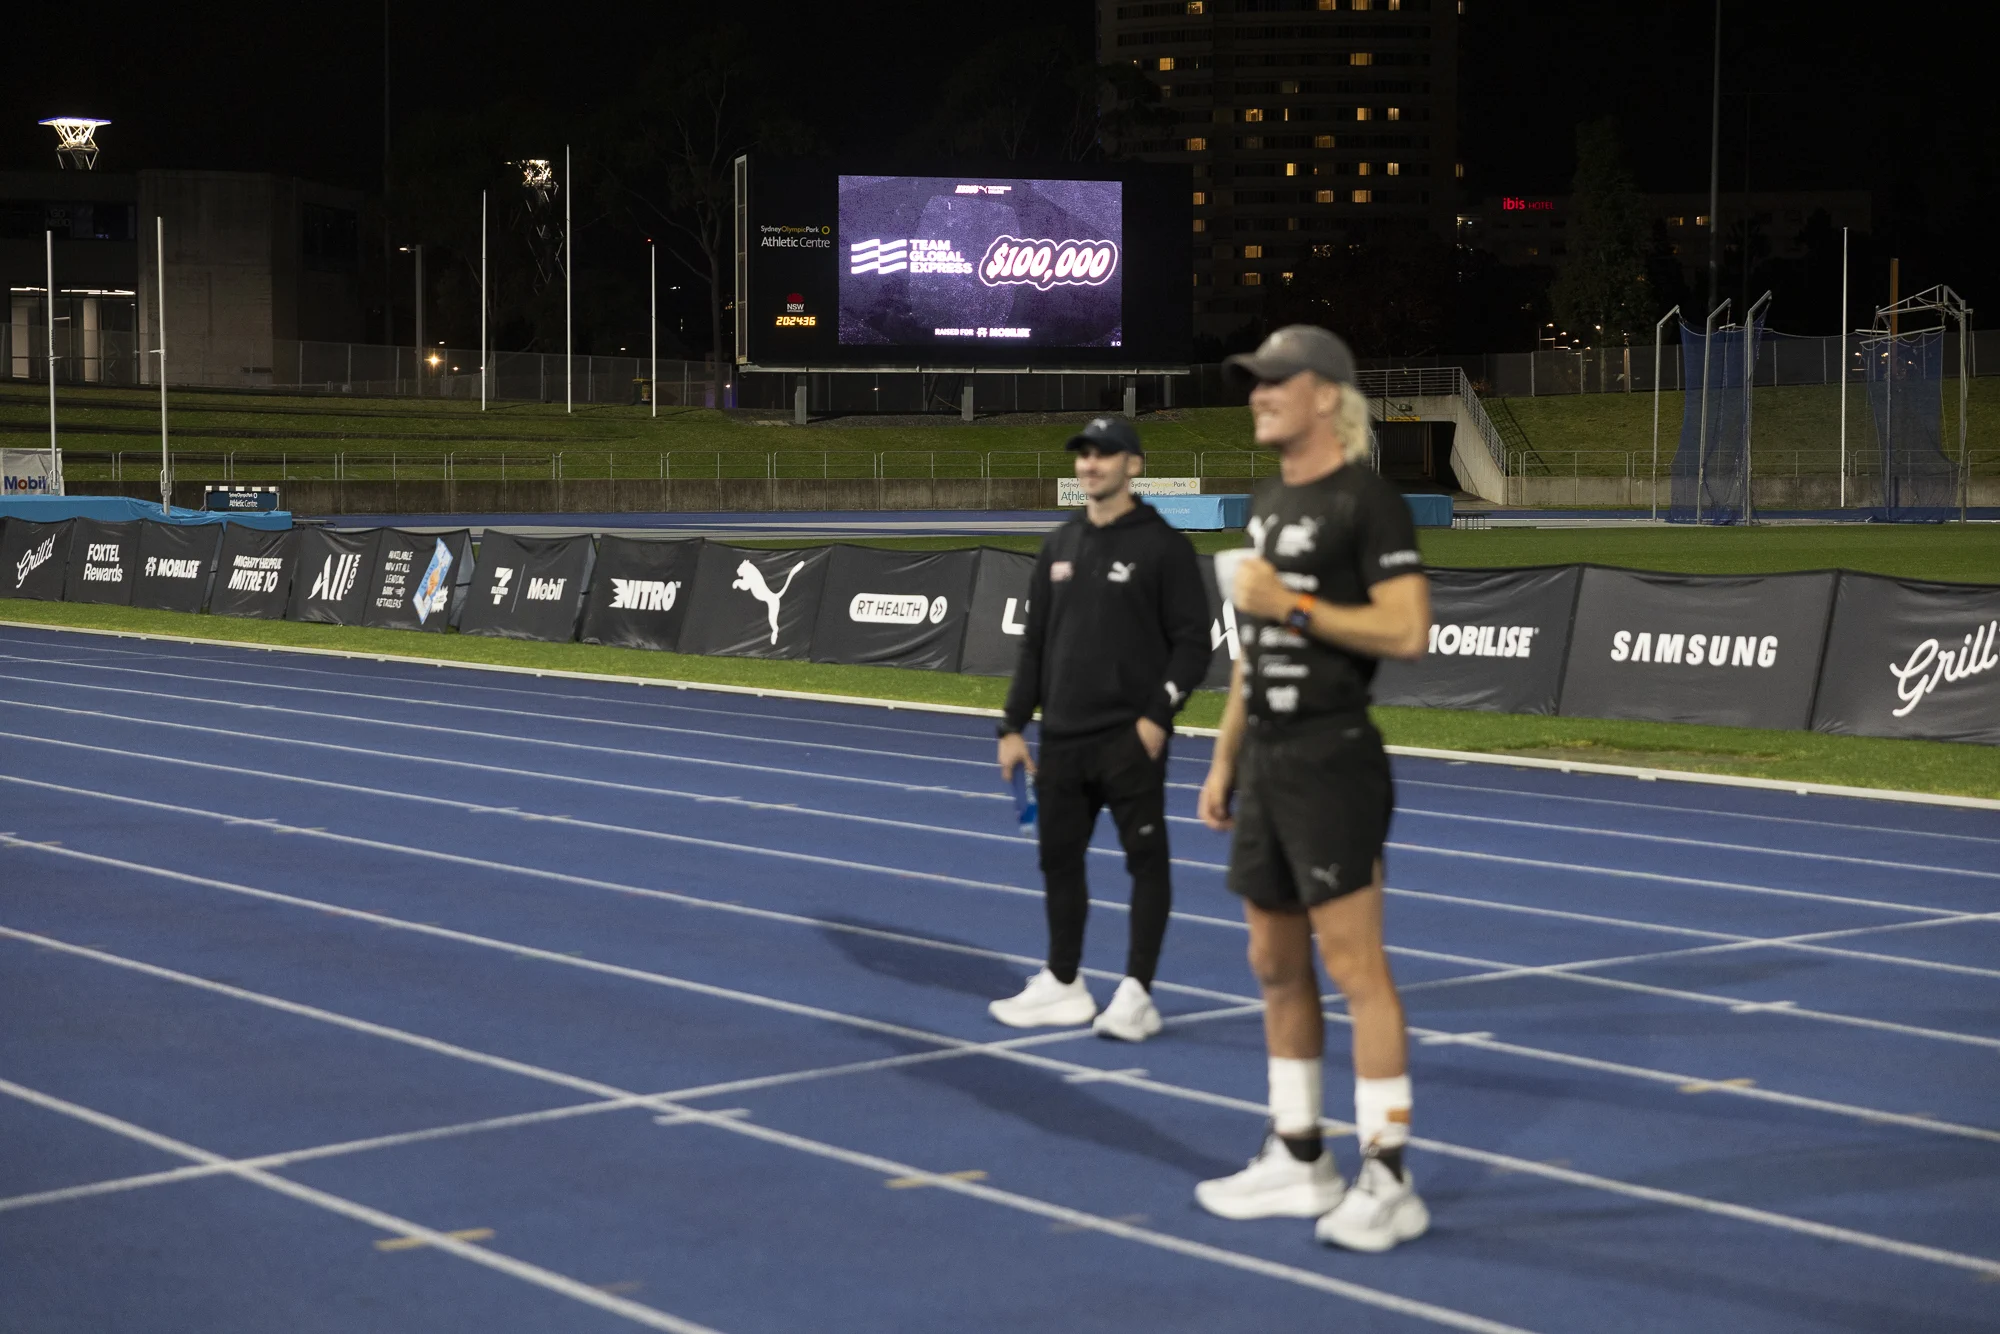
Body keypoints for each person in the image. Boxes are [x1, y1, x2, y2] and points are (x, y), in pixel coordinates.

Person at [1191, 326, 1433, 1252]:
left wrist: (1290, 604)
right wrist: (1224, 759)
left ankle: (1389, 1178)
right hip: (1267, 759)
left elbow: (1407, 630)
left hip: (1334, 756)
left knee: (1356, 969)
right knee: (1272, 964)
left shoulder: (1369, 501)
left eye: (1275, 382)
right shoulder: (1266, 501)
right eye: (1252, 383)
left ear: (1326, 395)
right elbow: (1252, 655)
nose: (1257, 395)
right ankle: (1300, 1157)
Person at [991, 415, 1212, 1042]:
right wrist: (1012, 725)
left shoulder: (1164, 547)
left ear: (1133, 465)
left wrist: (1157, 716)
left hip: (1128, 739)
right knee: (1058, 859)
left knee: (1145, 861)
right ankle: (1064, 983)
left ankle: (1137, 993)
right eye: (1083, 455)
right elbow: (1036, 645)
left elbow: (1193, 645)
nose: (1090, 464)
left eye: (1104, 454)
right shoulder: (1061, 543)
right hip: (1062, 738)